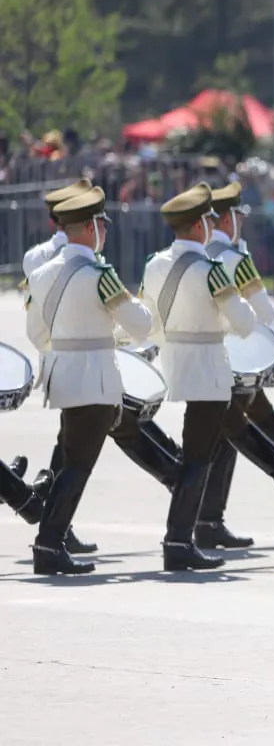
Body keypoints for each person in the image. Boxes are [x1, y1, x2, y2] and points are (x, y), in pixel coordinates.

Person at [23, 187, 154, 575]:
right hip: (95, 379)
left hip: (63, 375)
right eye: (103, 224)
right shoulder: (100, 274)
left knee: (69, 459)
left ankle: (52, 542)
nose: (106, 231)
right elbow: (141, 324)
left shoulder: (43, 273)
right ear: (91, 227)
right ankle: (49, 545)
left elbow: (36, 334)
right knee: (76, 467)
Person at [141, 183, 258, 571]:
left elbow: (151, 323)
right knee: (198, 458)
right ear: (197, 226)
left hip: (177, 360)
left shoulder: (156, 264)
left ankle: (182, 537)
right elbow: (245, 322)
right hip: (208, 366)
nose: (213, 225)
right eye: (209, 219)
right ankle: (178, 541)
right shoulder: (210, 271)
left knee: (196, 453)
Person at [197, 181, 274, 550]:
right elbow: (262, 311)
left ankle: (209, 518)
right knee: (226, 437)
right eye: (238, 217)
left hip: (201, 357)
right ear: (225, 219)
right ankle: (208, 519)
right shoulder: (234, 259)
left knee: (226, 432)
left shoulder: (195, 256)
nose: (241, 223)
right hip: (238, 357)